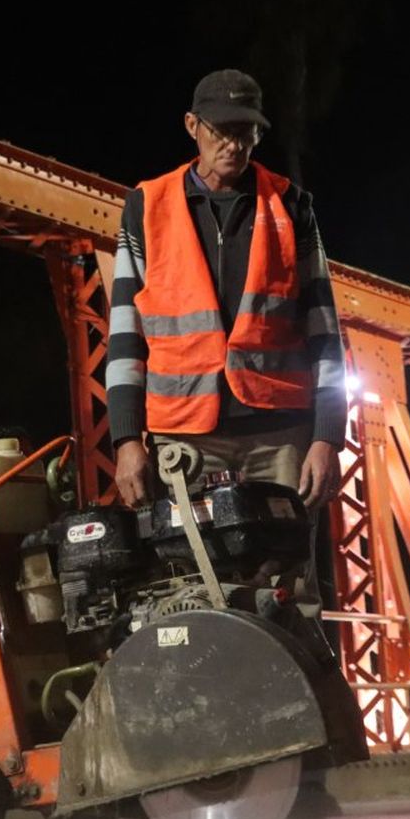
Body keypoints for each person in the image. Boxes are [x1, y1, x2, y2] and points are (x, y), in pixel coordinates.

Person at [105, 68, 347, 616]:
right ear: (192, 126)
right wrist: (125, 440)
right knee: (187, 595)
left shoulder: (291, 206)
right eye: (221, 130)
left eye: (247, 132)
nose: (233, 144)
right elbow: (125, 335)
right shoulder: (146, 207)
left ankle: (294, 701)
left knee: (291, 595)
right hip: (185, 439)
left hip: (280, 437)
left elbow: (325, 335)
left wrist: (327, 435)